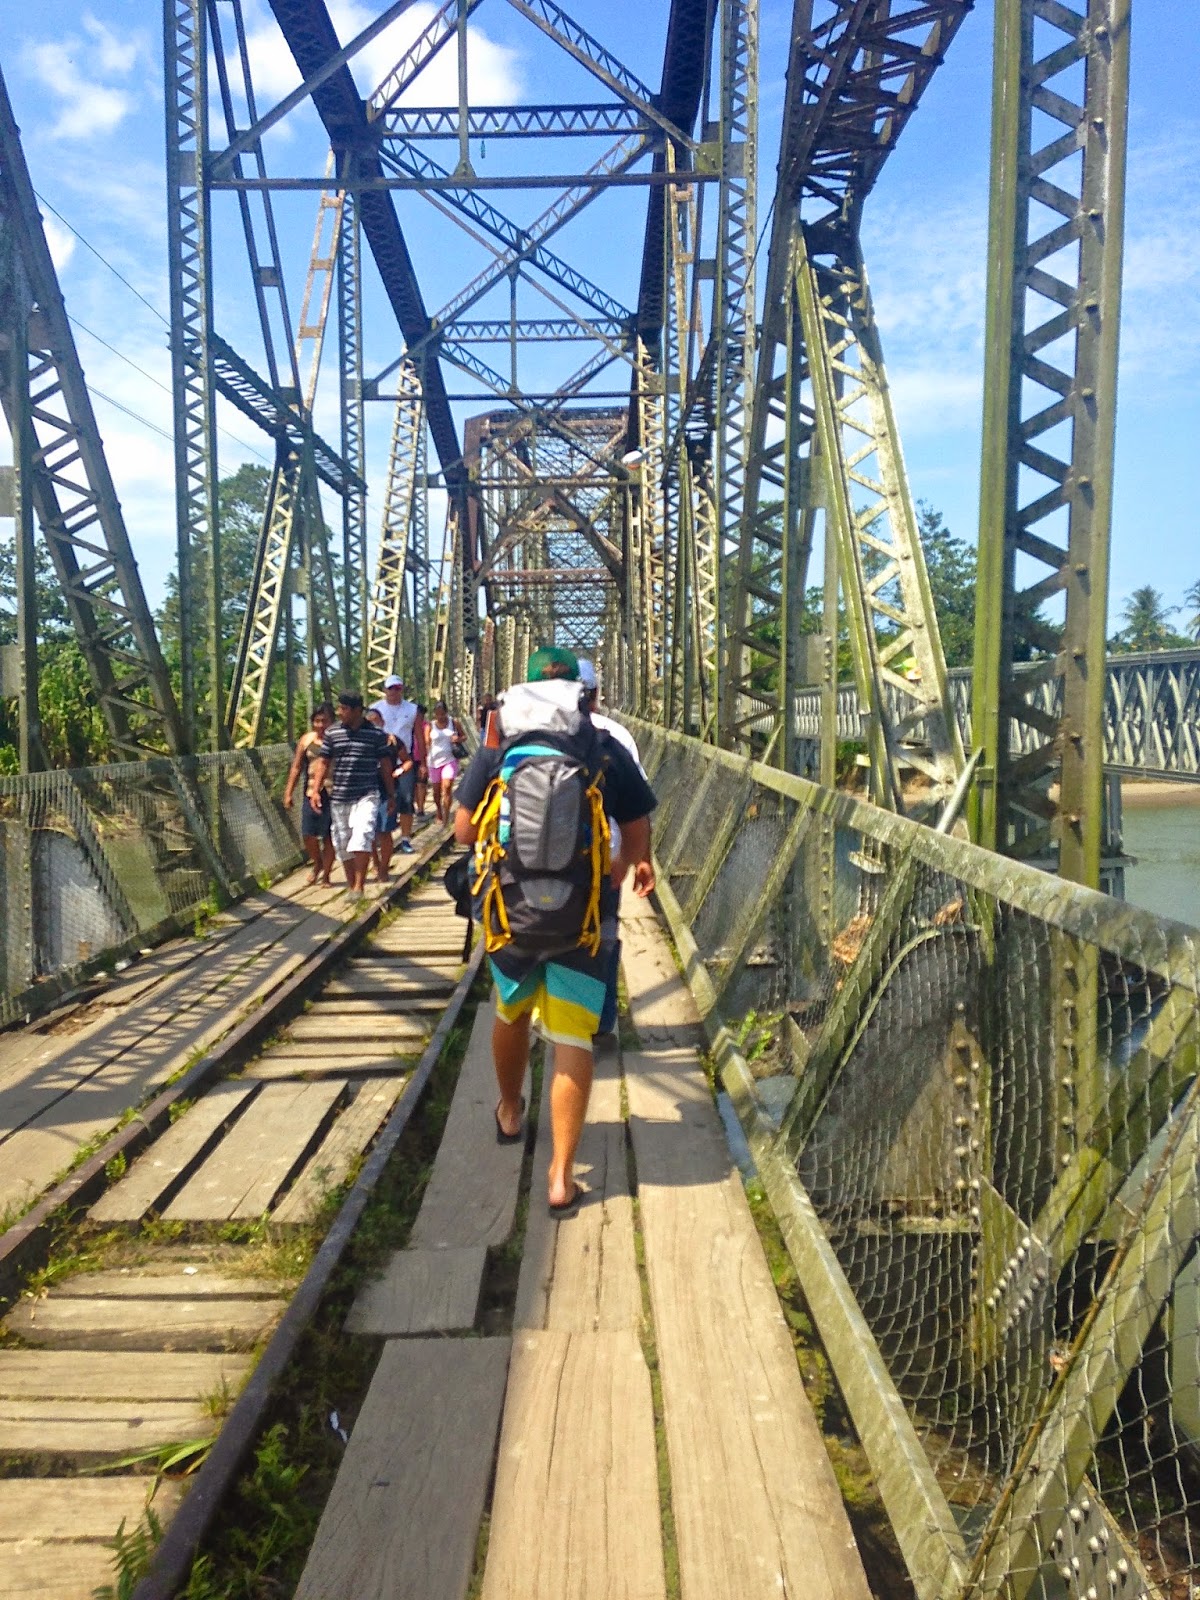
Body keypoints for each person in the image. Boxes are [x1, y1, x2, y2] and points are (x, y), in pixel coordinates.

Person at [455, 646, 656, 1218]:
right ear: (583, 693)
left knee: (511, 1011)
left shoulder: (499, 750)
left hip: (510, 910)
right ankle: (562, 1177)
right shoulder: (604, 747)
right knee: (572, 1036)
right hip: (585, 915)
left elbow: (464, 833)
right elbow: (636, 825)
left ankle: (509, 1111)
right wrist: (628, 865)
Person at [576, 659, 648, 1043]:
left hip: (546, 862)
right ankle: (601, 1021)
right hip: (607, 859)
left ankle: (559, 1015)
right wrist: (639, 860)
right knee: (604, 933)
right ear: (597, 694)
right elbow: (638, 809)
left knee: (557, 933)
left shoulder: (535, 734)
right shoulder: (615, 736)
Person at [307, 691, 395, 899]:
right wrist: (316, 791)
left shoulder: (375, 734)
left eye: (344, 708)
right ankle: (351, 884)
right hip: (339, 796)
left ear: (357, 711)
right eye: (339, 708)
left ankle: (359, 886)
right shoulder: (333, 733)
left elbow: (385, 764)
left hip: (366, 794)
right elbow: (323, 762)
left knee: (362, 837)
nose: (339, 712)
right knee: (343, 843)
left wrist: (391, 794)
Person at [282, 703, 336, 885]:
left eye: (325, 721)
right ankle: (317, 862)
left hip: (333, 791)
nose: (320, 725)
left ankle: (326, 874)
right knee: (308, 834)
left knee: (329, 836)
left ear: (332, 722)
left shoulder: (337, 739)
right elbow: (296, 767)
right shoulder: (307, 740)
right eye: (317, 721)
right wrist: (288, 792)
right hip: (311, 791)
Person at [370, 675, 421, 854]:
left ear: (402, 689)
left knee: (406, 800)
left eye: (397, 688)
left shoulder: (412, 709)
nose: (394, 691)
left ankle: (405, 838)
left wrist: (422, 763)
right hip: (380, 762)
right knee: (380, 801)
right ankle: (381, 837)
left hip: (403, 760)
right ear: (385, 690)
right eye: (391, 688)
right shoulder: (375, 708)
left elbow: (419, 736)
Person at [365, 708, 400, 882]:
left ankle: (384, 867)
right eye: (370, 721)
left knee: (385, 830)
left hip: (387, 789)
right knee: (369, 831)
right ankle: (376, 862)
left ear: (382, 722)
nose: (374, 724)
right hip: (367, 789)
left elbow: (406, 759)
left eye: (376, 720)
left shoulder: (390, 741)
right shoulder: (362, 742)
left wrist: (399, 771)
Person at [426, 700, 467, 822]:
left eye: (443, 714)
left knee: (447, 786)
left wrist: (458, 739)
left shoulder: (453, 723)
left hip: (450, 759)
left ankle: (446, 815)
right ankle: (439, 810)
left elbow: (464, 736)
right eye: (438, 714)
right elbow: (426, 743)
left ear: (446, 712)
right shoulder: (430, 726)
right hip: (434, 762)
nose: (440, 716)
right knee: (436, 792)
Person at [413, 702, 429, 816]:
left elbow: (427, 742)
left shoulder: (426, 726)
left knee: (421, 783)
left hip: (422, 757)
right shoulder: (409, 725)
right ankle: (415, 805)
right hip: (409, 757)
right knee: (413, 785)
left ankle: (421, 808)